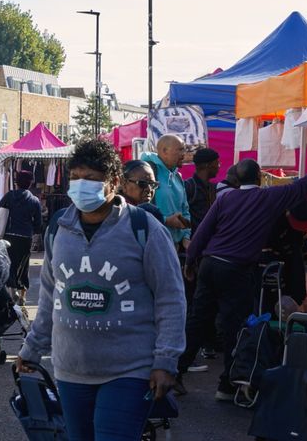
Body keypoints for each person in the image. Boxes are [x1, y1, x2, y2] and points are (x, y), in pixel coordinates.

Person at [17, 139, 185, 441]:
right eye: (76, 178)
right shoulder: (59, 228)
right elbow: (50, 296)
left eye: (92, 179)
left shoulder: (144, 229)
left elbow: (170, 298)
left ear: (114, 182)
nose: (82, 185)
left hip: (129, 371)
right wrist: (31, 350)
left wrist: (166, 360)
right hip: (70, 371)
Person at [179, 158, 307, 400]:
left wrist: (191, 261)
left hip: (209, 264)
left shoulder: (225, 198)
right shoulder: (268, 197)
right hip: (235, 270)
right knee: (234, 327)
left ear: (236, 178)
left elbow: (204, 229)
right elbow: (303, 186)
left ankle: (175, 374)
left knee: (197, 320)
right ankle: (227, 385)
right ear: (258, 177)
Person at [0, 170, 43, 303]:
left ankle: (12, 291)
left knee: (9, 263)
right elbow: (38, 223)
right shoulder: (34, 200)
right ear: (30, 183)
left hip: (9, 236)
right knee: (24, 265)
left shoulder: (10, 196)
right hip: (25, 237)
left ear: (16, 182)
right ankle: (23, 295)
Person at [141, 135, 191, 247]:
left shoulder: (177, 176)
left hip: (174, 247)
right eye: (180, 149)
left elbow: (185, 210)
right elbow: (137, 208)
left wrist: (186, 237)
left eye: (184, 149)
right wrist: (166, 220)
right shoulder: (147, 172)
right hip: (152, 244)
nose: (184, 154)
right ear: (164, 151)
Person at [184, 148, 220, 234]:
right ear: (209, 165)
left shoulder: (212, 188)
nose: (218, 166)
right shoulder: (189, 186)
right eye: (217, 163)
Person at [118, 160, 165, 224]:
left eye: (152, 184)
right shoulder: (117, 215)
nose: (149, 189)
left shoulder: (151, 212)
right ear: (124, 184)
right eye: (142, 183)